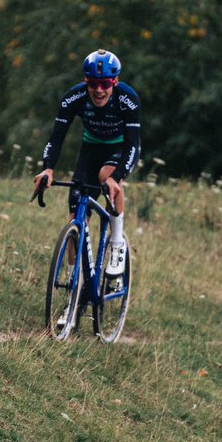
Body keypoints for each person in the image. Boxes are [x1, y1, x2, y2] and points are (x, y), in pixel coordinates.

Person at [33, 49, 141, 278]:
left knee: (106, 176)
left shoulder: (127, 99)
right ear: (86, 81)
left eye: (105, 84)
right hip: (90, 150)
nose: (99, 90)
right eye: (93, 83)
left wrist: (116, 176)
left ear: (115, 81)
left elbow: (132, 145)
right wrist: (48, 168)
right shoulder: (74, 97)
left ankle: (117, 242)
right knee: (75, 219)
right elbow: (56, 138)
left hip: (121, 149)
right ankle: (75, 286)